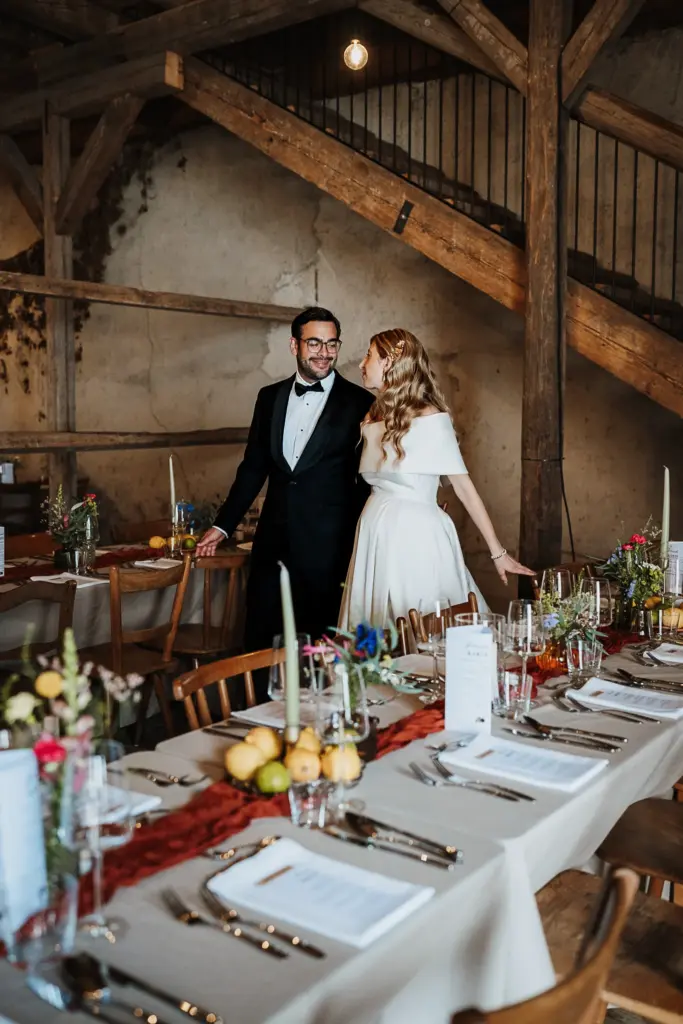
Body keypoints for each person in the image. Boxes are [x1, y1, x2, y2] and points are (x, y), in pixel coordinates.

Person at [198, 307, 373, 661]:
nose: (324, 352)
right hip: (273, 544)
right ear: (294, 345)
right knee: (264, 639)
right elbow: (253, 468)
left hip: (329, 547)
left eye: (331, 344)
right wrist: (223, 524)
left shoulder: (361, 403)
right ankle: (264, 712)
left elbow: (372, 474)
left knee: (321, 646)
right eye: (314, 343)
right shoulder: (269, 397)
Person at [339, 328, 534, 628]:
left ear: (389, 363)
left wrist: (498, 553)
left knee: (427, 626)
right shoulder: (371, 417)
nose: (362, 363)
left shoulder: (430, 419)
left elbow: (463, 488)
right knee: (378, 632)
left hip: (417, 536)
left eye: (369, 355)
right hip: (374, 533)